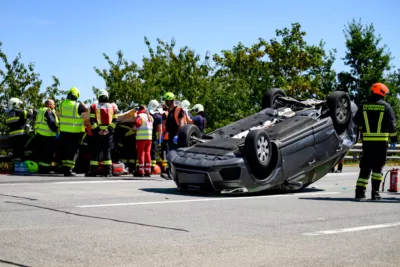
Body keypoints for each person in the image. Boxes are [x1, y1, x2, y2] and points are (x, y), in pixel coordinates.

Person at [353, 83, 398, 200]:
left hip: (367, 142)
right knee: (378, 168)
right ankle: (375, 193)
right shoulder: (386, 107)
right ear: (382, 93)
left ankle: (359, 193)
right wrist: (394, 139)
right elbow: (392, 126)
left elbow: (356, 122)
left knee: (365, 167)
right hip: (381, 143)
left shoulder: (364, 106)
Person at [85, 89, 118, 177]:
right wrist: (108, 130)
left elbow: (92, 120)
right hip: (108, 134)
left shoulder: (93, 106)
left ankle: (93, 172)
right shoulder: (113, 107)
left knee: (96, 152)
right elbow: (115, 120)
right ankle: (108, 172)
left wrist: (97, 131)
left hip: (97, 134)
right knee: (107, 152)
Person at [58, 87, 88, 177]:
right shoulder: (78, 105)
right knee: (73, 151)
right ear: (77, 96)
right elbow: (86, 110)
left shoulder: (61, 104)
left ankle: (65, 168)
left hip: (63, 131)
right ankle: (69, 170)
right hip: (75, 132)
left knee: (64, 150)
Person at [5, 97, 35, 162]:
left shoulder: (8, 115)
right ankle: (23, 166)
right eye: (19, 104)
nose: (19, 106)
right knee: (25, 150)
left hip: (12, 136)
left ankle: (16, 166)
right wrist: (31, 110)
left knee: (16, 151)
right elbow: (30, 116)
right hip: (21, 135)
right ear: (15, 104)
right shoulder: (20, 112)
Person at [34, 99, 59, 174]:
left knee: (42, 154)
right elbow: (51, 123)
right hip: (48, 136)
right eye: (53, 104)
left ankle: (42, 169)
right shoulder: (48, 111)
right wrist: (56, 129)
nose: (54, 106)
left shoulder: (40, 111)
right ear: (49, 105)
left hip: (39, 135)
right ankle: (46, 169)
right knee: (48, 154)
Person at [134, 105, 154, 177]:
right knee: (148, 153)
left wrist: (134, 127)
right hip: (149, 138)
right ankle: (148, 171)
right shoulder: (150, 116)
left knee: (141, 154)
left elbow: (138, 124)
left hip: (141, 138)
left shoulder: (140, 116)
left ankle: (141, 171)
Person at [147, 99, 163, 173]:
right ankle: (152, 167)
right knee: (153, 151)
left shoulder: (144, 113)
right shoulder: (158, 116)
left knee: (145, 151)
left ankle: (142, 166)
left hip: (143, 136)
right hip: (153, 136)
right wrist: (159, 140)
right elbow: (160, 129)